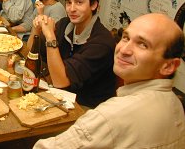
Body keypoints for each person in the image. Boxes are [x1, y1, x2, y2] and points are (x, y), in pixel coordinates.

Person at [34, 13, 185, 148]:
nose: (124, 50)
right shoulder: (175, 104)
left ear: (169, 66)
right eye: (126, 38)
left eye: (143, 44)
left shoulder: (111, 116)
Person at [28, 0, 116, 108]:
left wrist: (50, 36)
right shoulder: (65, 24)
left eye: (79, 2)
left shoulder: (101, 42)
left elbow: (61, 81)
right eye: (68, 3)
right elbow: (31, 51)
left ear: (94, 5)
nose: (72, 9)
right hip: (62, 94)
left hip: (86, 106)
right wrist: (37, 28)